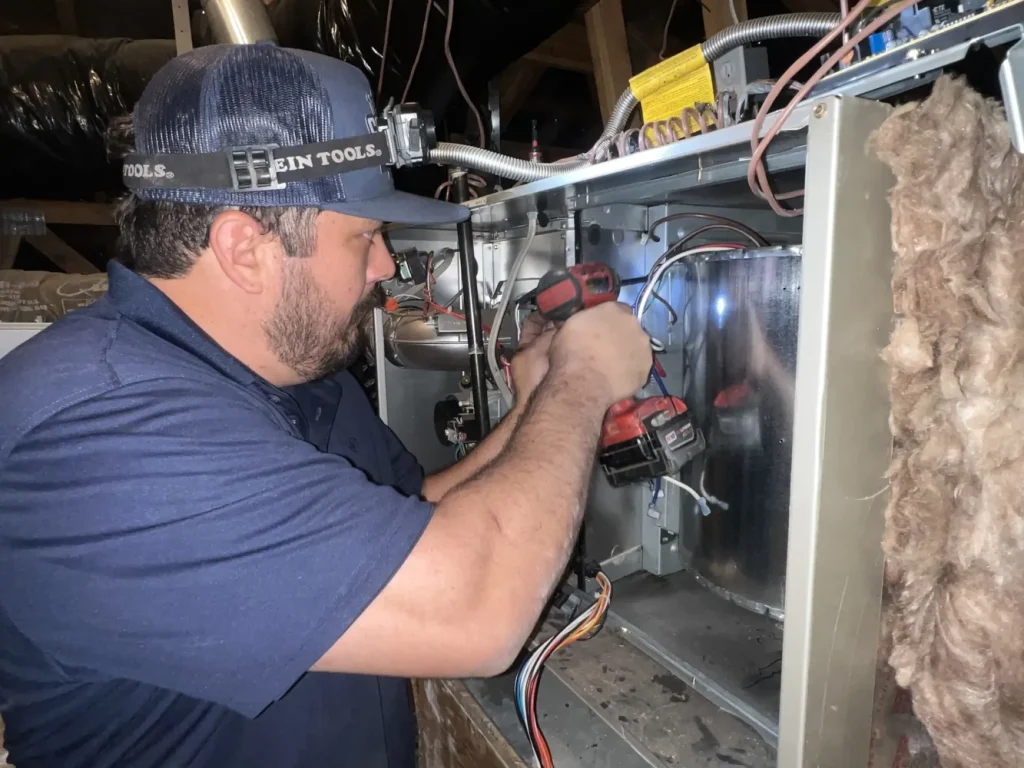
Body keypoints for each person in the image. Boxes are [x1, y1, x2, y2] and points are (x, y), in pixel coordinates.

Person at [0, 42, 652, 768]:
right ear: (246, 249)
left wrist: (535, 398)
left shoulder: (297, 370)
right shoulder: (93, 436)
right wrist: (583, 380)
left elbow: (414, 520)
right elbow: (476, 613)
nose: (385, 267)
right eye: (365, 237)